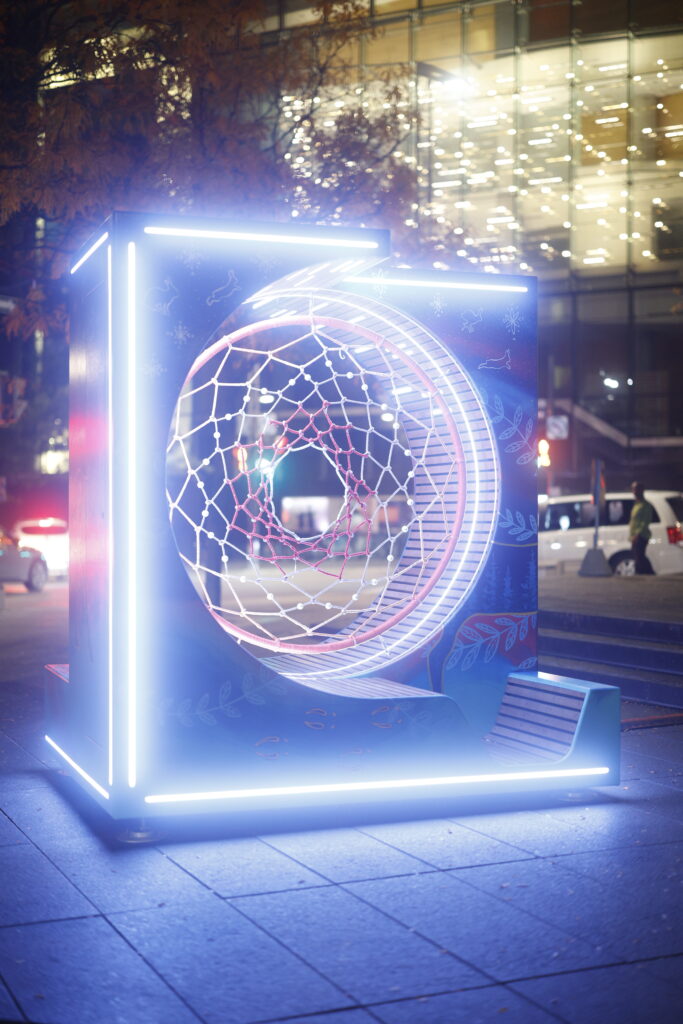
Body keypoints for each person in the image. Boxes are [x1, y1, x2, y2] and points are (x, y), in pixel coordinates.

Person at [628, 481, 655, 575]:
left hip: (641, 535)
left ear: (641, 491)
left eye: (635, 489)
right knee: (637, 556)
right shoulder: (636, 504)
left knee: (640, 557)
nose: (633, 491)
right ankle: (644, 574)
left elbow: (645, 521)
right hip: (634, 536)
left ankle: (647, 574)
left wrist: (637, 534)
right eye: (632, 489)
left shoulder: (645, 505)